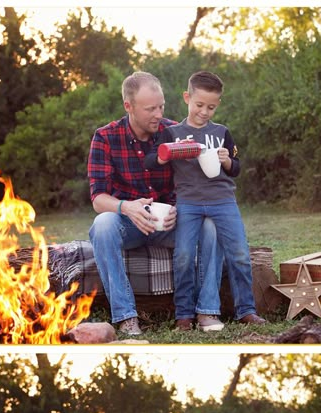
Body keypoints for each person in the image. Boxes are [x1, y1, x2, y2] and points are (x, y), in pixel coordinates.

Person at [87, 70, 220, 338]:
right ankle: (126, 317)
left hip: (170, 223)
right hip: (129, 224)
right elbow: (98, 198)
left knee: (211, 225)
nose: (158, 114)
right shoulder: (105, 137)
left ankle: (207, 310)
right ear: (129, 106)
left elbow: (194, 185)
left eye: (161, 106)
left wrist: (180, 209)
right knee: (102, 225)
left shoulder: (175, 133)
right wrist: (127, 207)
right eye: (150, 109)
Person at [162, 71, 264, 331]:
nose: (204, 112)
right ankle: (183, 314)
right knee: (184, 255)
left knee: (240, 254)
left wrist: (226, 160)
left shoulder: (222, 132)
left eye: (211, 107)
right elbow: (156, 159)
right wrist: (171, 152)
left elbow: (236, 167)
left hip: (223, 200)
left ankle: (246, 310)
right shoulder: (173, 132)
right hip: (189, 202)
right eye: (199, 105)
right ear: (187, 98)